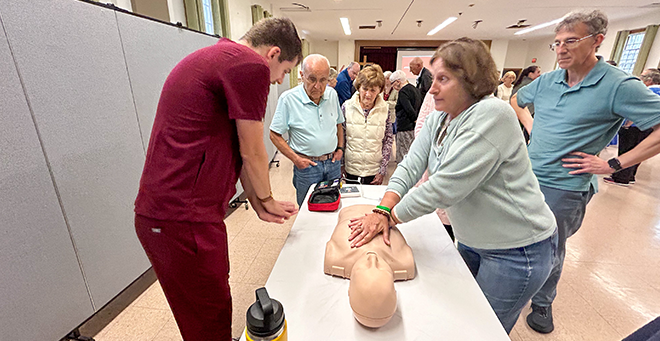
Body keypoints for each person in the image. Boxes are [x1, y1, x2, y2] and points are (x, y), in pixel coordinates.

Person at [346, 37, 558, 334]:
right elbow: (410, 165)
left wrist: (388, 217)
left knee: (483, 330)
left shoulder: (494, 115)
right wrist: (383, 206)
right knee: (462, 318)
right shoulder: (440, 119)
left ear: (471, 79)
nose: (432, 88)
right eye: (434, 78)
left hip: (517, 249)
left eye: (443, 79)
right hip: (474, 240)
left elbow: (444, 187)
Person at [133, 18, 301, 340]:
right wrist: (265, 198)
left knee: (199, 315)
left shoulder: (219, 56)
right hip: (183, 218)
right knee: (210, 320)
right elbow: (254, 150)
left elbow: (237, 149)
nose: (279, 81)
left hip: (167, 216)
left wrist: (257, 200)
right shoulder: (249, 65)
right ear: (273, 53)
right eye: (284, 71)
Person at [510, 10, 660, 334]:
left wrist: (614, 163)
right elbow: (516, 100)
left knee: (549, 245)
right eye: (557, 43)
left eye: (571, 41)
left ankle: (542, 303)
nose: (561, 49)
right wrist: (532, 125)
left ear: (597, 41)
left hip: (565, 186)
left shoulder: (619, 85)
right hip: (527, 175)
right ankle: (518, 284)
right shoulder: (548, 81)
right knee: (518, 235)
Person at [270, 54, 345, 206]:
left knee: (333, 204)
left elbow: (338, 124)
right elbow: (274, 134)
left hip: (333, 163)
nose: (318, 86)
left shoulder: (332, 94)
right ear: (302, 75)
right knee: (307, 208)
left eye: (323, 80)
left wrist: (340, 148)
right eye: (312, 79)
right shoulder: (288, 99)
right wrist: (295, 159)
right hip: (307, 166)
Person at [604, 68, 660, 185]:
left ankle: (621, 177)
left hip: (636, 126)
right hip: (650, 127)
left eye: (642, 76)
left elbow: (636, 108)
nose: (640, 78)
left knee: (627, 150)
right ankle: (631, 176)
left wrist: (627, 124)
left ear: (649, 80)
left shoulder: (647, 91)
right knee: (640, 150)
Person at [342, 64, 394, 185]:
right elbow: (341, 138)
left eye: (373, 90)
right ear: (358, 87)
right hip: (351, 169)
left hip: (374, 171)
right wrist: (341, 166)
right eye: (365, 89)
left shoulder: (385, 109)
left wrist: (382, 170)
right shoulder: (347, 107)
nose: (368, 94)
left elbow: (388, 140)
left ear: (379, 90)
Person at [414, 91, 454, 241]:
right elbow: (420, 125)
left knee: (447, 237)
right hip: (431, 174)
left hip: (457, 200)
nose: (433, 88)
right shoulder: (432, 97)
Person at [390, 70, 422, 163]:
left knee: (403, 155)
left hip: (405, 127)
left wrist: (414, 119)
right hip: (412, 127)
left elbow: (408, 109)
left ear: (398, 82)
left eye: (393, 83)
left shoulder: (403, 92)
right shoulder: (414, 89)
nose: (393, 87)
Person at [511, 65, 541, 143]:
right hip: (525, 115)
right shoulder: (530, 86)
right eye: (538, 72)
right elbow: (515, 99)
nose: (539, 74)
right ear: (530, 74)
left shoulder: (519, 83)